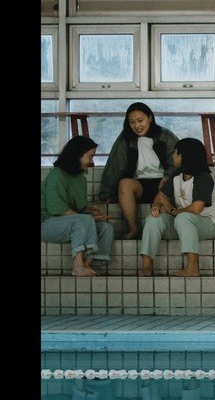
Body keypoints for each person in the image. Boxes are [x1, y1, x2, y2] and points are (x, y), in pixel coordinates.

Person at [96, 102, 180, 240]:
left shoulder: (165, 135)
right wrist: (105, 194)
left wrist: (168, 177)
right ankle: (133, 228)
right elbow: (114, 165)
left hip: (162, 182)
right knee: (124, 184)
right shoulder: (125, 139)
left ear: (150, 118)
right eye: (132, 122)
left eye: (140, 120)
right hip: (139, 185)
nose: (137, 126)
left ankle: (157, 224)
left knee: (166, 182)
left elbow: (178, 162)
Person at [138, 137, 215, 277]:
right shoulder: (177, 175)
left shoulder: (203, 177)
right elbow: (160, 196)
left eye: (175, 152)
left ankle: (193, 267)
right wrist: (156, 207)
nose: (173, 156)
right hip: (181, 223)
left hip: (207, 224)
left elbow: (196, 209)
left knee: (184, 218)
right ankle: (146, 266)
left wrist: (172, 210)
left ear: (182, 156)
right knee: (153, 219)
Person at [41, 135, 113, 277]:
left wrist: (91, 210)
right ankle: (77, 266)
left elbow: (78, 208)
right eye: (90, 157)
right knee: (83, 220)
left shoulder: (80, 179)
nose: (91, 161)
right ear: (77, 155)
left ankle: (89, 264)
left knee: (106, 228)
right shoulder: (56, 175)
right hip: (46, 223)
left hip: (69, 222)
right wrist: (89, 218)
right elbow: (58, 209)